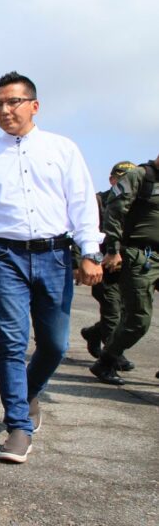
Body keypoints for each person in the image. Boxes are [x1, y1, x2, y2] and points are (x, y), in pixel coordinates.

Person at [0, 71, 103, 464]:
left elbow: (82, 204)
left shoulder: (62, 149)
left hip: (56, 254)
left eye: (13, 102)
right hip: (4, 256)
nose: (5, 110)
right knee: (11, 341)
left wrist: (91, 252)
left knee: (55, 343)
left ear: (34, 105)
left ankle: (28, 392)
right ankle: (18, 427)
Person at [90, 154, 159, 385]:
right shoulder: (139, 176)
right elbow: (115, 212)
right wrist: (113, 250)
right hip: (140, 255)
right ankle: (106, 361)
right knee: (138, 319)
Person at [79, 162, 137, 369]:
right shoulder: (97, 202)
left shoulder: (138, 204)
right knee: (112, 309)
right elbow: (81, 230)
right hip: (102, 265)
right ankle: (114, 356)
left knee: (126, 313)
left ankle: (94, 333)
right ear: (112, 179)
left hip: (129, 266)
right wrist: (79, 261)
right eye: (121, 178)